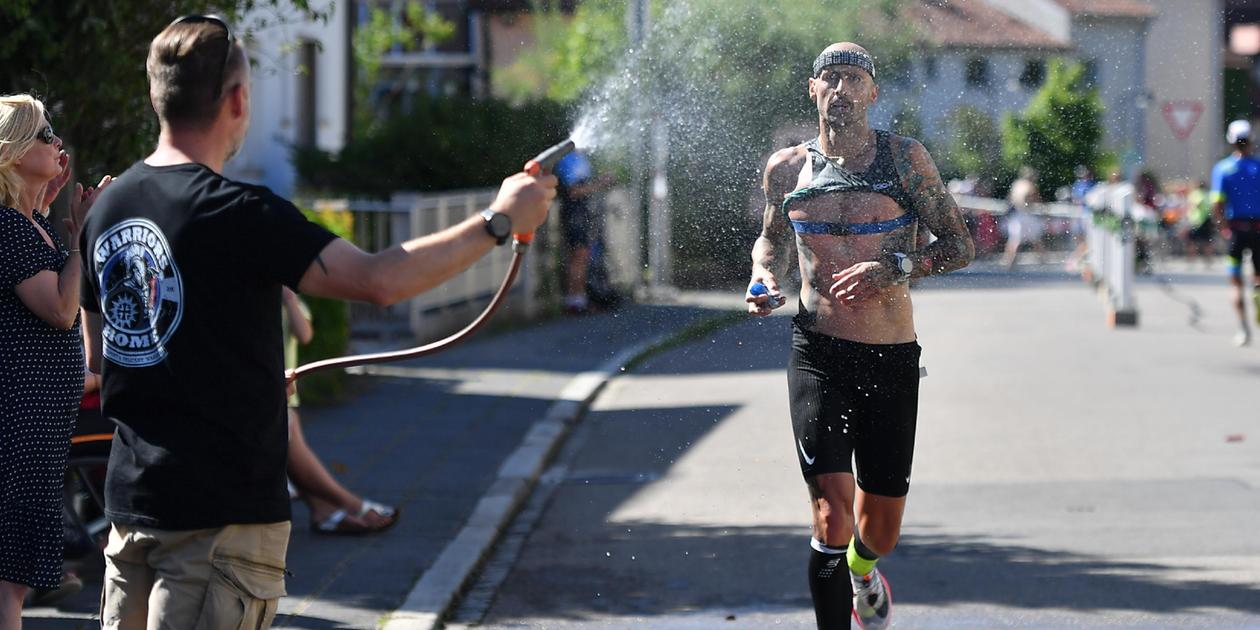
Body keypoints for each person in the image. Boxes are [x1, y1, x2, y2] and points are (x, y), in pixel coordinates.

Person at [80, 16, 554, 629]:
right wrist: (497, 219)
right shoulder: (242, 213)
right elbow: (380, 280)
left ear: (155, 95)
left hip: (132, 512)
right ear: (238, 100)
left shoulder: (107, 206)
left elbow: (105, 358)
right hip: (219, 521)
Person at [745, 43, 973, 630]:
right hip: (817, 351)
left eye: (854, 79)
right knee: (828, 514)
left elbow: (959, 245)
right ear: (812, 90)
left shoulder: (904, 161)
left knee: (879, 531)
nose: (842, 89)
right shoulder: (787, 168)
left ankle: (864, 571)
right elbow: (771, 239)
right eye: (830, 79)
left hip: (890, 356)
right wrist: (763, 276)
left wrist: (894, 266)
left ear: (872, 93)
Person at [0, 93, 108, 626]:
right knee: (8, 585)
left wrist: (47, 206)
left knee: (13, 578)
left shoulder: (27, 223)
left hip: (38, 425)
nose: (56, 141)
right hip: (21, 423)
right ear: (12, 151)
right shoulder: (8, 228)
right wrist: (81, 233)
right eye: (44, 134)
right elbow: (63, 310)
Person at [282, 287, 398, 535]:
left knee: (292, 456)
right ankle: (348, 504)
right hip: (269, 394)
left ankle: (323, 510)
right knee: (293, 454)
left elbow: (304, 335)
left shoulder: (285, 299)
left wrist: (289, 298)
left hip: (287, 392)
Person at [1211, 119, 1260, 347]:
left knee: (1235, 281)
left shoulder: (1223, 169)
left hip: (1236, 230)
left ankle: (1243, 328)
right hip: (1259, 229)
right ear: (1251, 140)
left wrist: (1223, 228)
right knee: (1258, 279)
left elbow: (1217, 204)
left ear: (1231, 141)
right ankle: (1258, 297)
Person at [554, 149, 613, 314]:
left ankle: (579, 299)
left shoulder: (581, 158)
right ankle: (574, 302)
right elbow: (574, 191)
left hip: (581, 212)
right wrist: (600, 184)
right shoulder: (568, 160)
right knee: (578, 257)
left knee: (582, 257)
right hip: (574, 213)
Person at [1001, 166, 1045, 270]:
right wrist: (1040, 206)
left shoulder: (1016, 184)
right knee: (1035, 237)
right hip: (1025, 213)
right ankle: (1042, 259)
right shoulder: (1029, 185)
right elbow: (1030, 197)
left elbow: (1010, 199)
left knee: (1015, 238)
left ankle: (1009, 260)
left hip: (1016, 214)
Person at [1184, 180, 1214, 265]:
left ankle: (1193, 259)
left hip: (1196, 220)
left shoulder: (1195, 194)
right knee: (1206, 241)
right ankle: (1206, 260)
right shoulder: (1207, 194)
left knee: (1194, 241)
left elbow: (1192, 205)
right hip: (1203, 220)